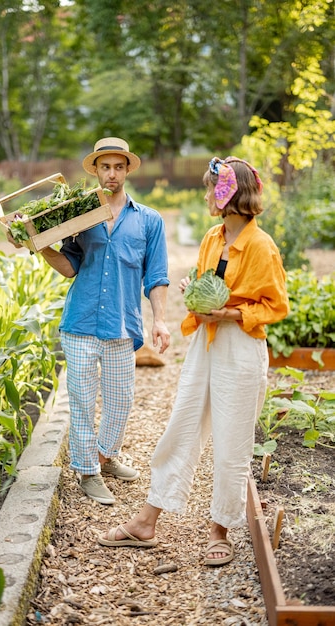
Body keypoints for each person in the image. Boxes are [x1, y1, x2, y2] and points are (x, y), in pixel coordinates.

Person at [98, 156, 289, 565]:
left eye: (210, 189)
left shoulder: (260, 245)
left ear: (228, 195)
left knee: (232, 441)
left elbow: (275, 306)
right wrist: (195, 288)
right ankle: (147, 520)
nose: (205, 196)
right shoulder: (212, 238)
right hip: (206, 343)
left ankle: (220, 529)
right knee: (181, 425)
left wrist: (230, 313)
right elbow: (208, 284)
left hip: (240, 347)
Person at [8, 137, 170, 505]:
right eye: (104, 167)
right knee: (81, 402)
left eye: (118, 166)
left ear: (127, 170)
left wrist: (160, 320)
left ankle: (105, 455)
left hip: (123, 324)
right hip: (80, 322)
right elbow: (69, 268)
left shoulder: (149, 220)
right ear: (95, 171)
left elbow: (157, 275)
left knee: (120, 401)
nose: (111, 174)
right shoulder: (78, 217)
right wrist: (38, 241)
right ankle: (87, 470)